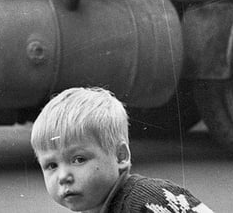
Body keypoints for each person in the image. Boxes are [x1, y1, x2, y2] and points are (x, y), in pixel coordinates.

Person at [30, 87, 214, 213]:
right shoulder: (97, 206)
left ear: (120, 156)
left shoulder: (144, 201)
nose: (63, 177)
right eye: (51, 165)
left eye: (79, 159)